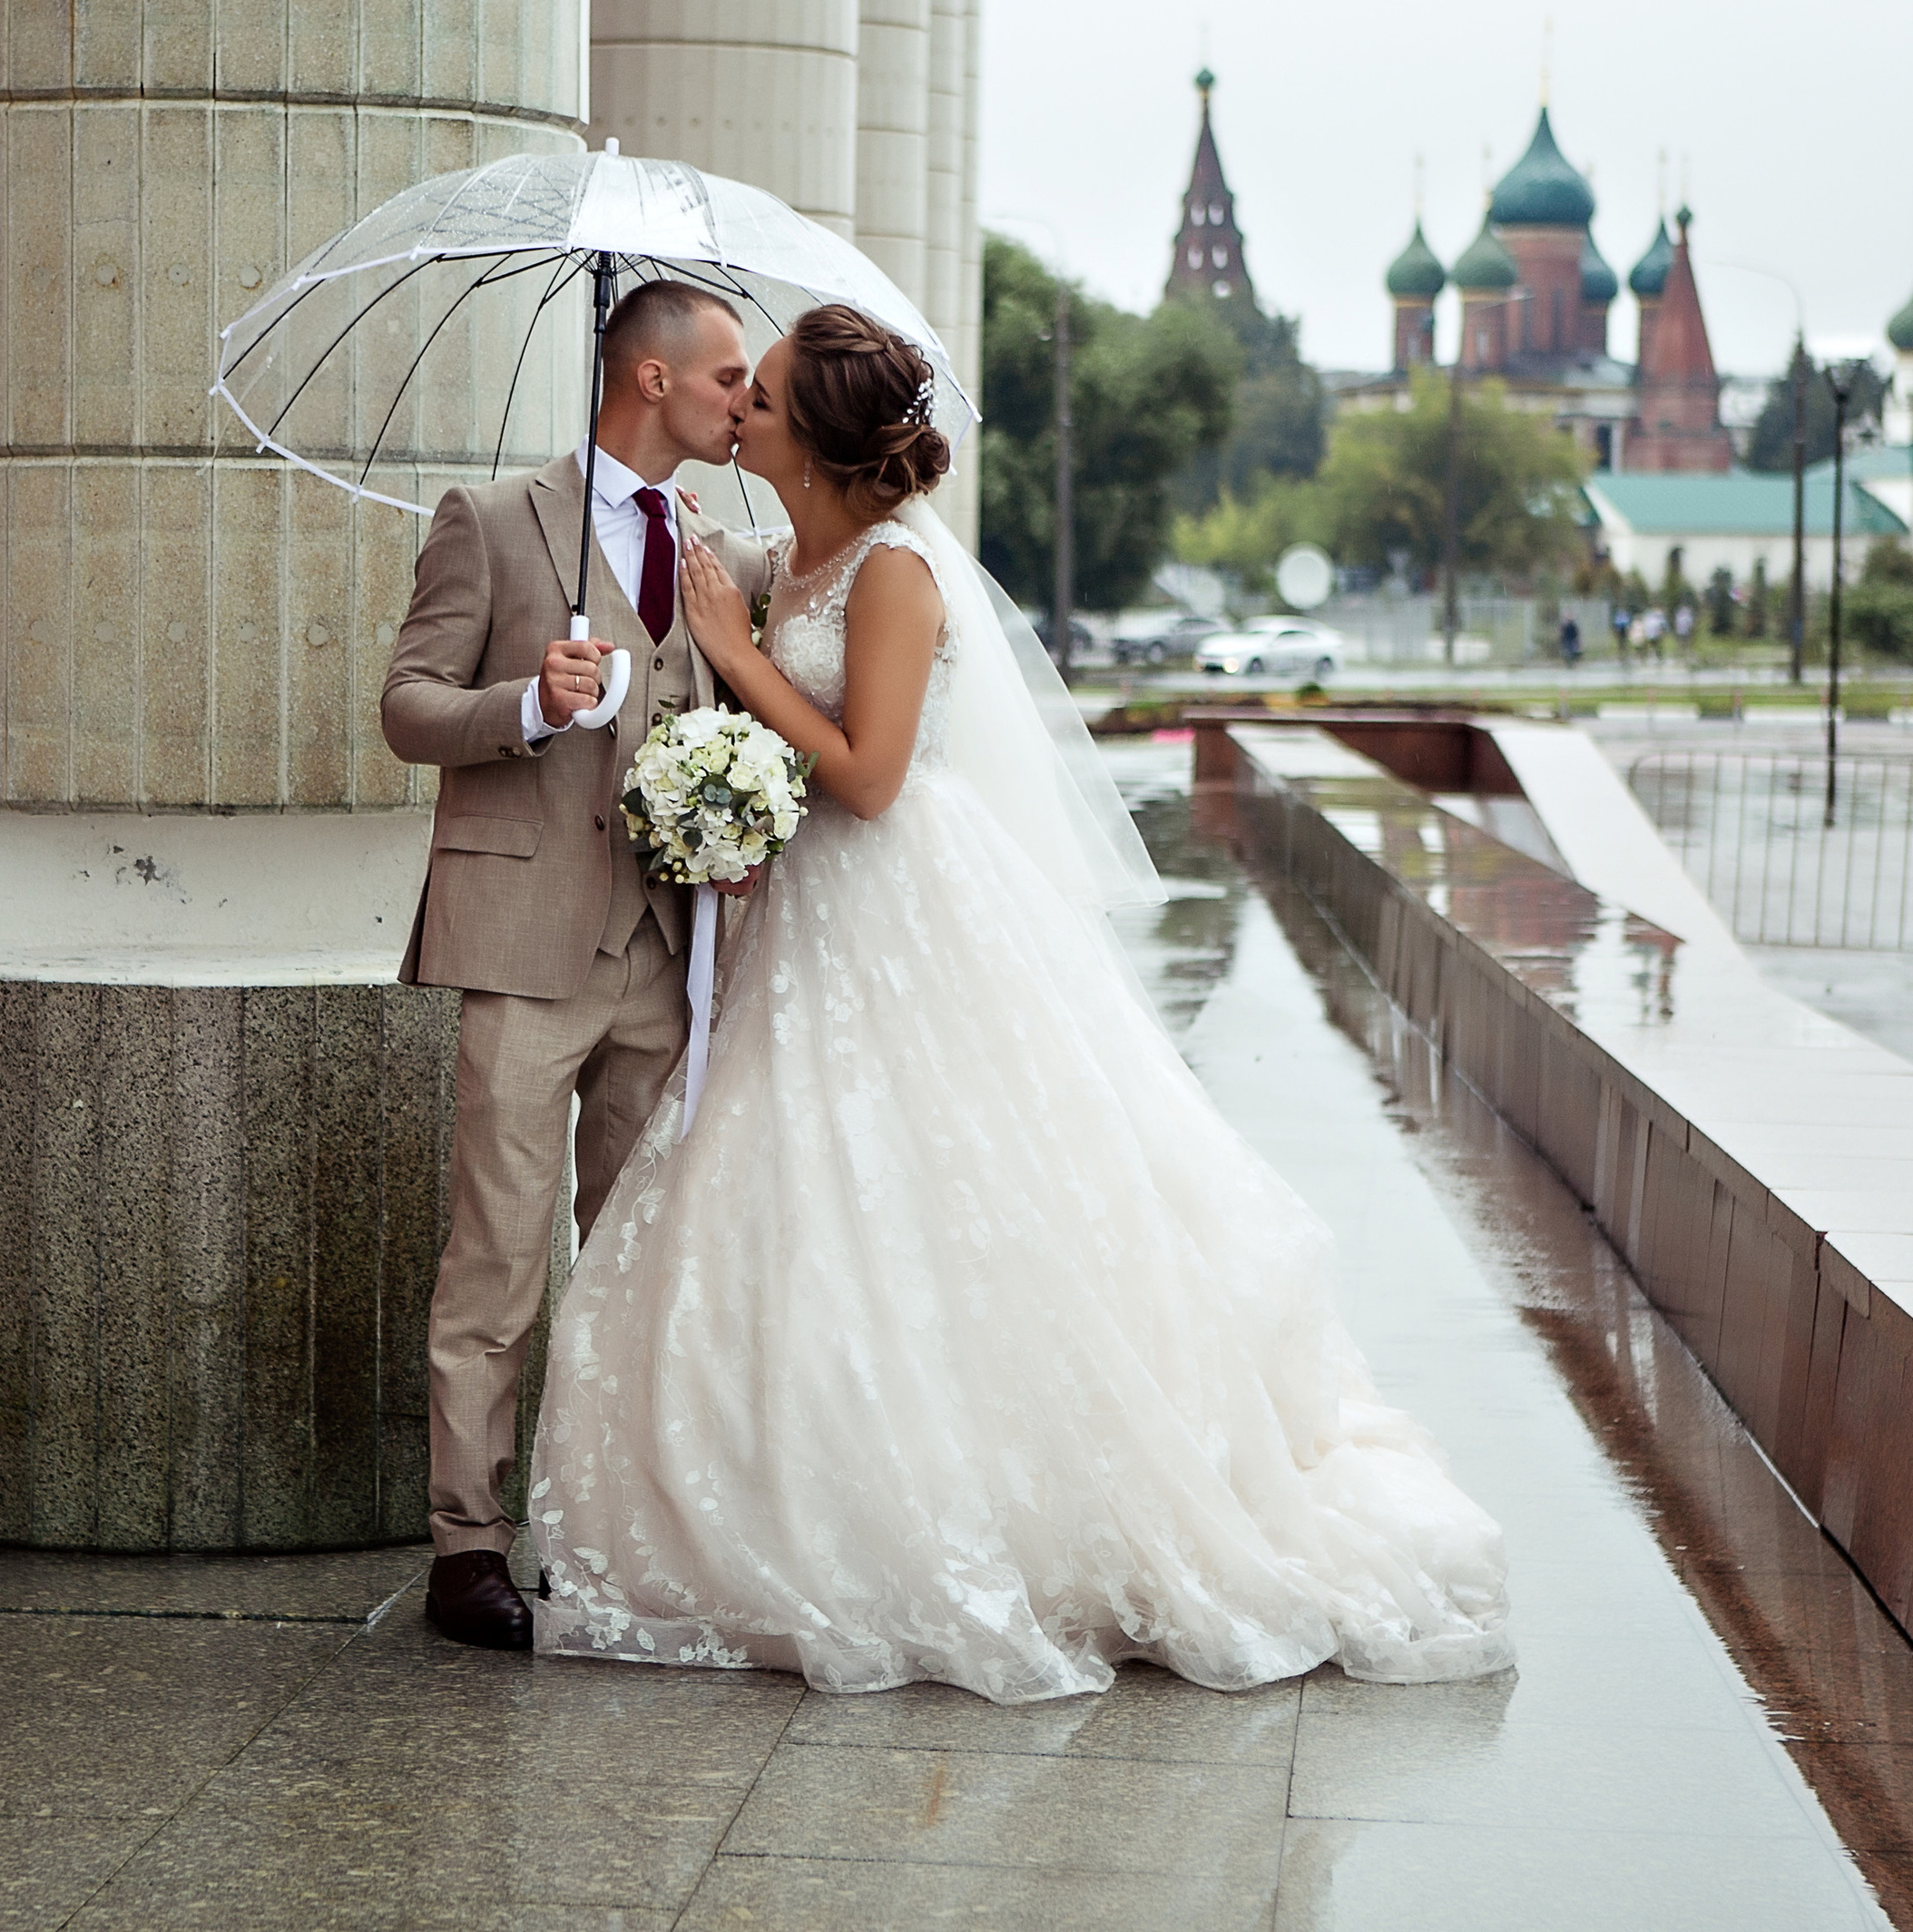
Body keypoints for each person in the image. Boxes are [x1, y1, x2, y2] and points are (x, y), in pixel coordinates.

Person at [530, 305, 1512, 1702]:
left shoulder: (894, 575)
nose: (742, 405)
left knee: (932, 1189)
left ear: (810, 433)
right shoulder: (783, 562)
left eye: (769, 392)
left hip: (898, 909)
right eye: (736, 385)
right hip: (802, 923)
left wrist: (740, 661)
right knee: (795, 1199)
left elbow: (870, 777)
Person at [379, 279, 770, 1652]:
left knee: (638, 1258)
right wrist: (526, 709)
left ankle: (608, 1525)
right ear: (652, 379)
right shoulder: (492, 524)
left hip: (665, 957)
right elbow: (406, 710)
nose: (747, 400)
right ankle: (466, 1548)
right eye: (730, 377)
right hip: (526, 947)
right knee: (495, 1259)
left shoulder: (725, 544)